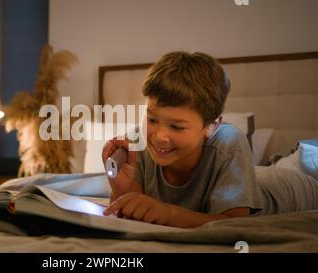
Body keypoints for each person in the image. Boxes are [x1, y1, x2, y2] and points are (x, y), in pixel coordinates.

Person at [101, 51, 318, 228]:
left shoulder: (228, 140)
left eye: (176, 126)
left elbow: (234, 225)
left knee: (300, 161)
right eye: (152, 119)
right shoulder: (137, 140)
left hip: (288, 187)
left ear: (212, 125)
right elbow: (133, 217)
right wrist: (120, 190)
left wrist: (166, 212)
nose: (159, 136)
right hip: (244, 177)